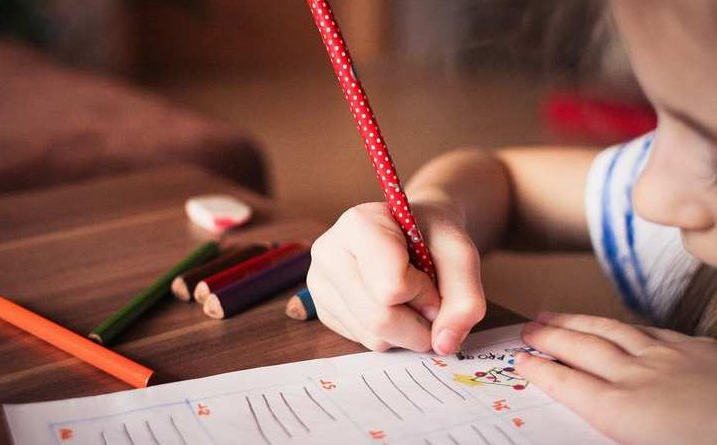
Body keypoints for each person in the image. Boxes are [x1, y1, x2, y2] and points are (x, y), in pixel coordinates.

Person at [306, 1, 717, 443]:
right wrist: (435, 214)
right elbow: (505, 182)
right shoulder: (675, 210)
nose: (647, 195)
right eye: (662, 122)